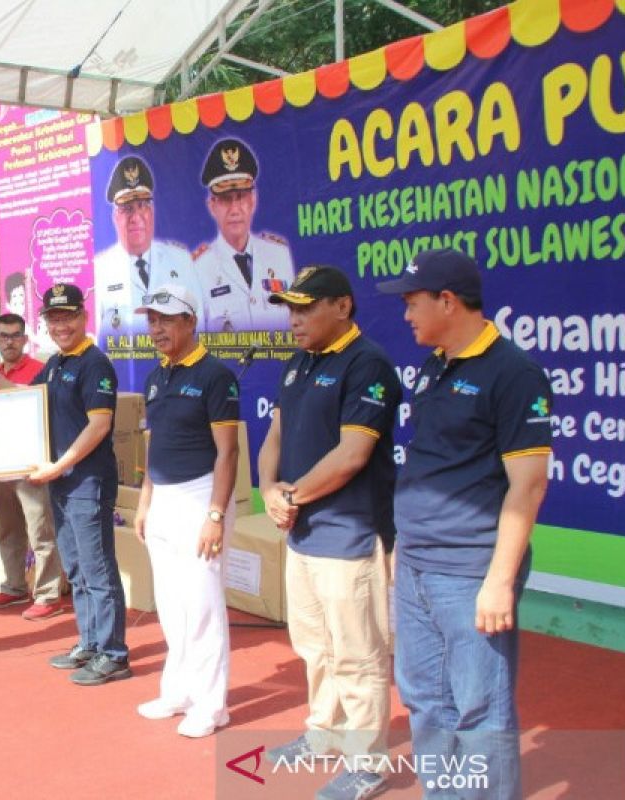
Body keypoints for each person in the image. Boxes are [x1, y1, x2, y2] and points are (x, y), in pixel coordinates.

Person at [378, 249, 551, 800]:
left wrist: (499, 580)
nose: (406, 315)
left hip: (471, 571)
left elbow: (529, 485)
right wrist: (401, 546)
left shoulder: (514, 374)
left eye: (412, 303)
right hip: (419, 565)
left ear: (448, 302)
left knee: (481, 708)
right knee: (426, 699)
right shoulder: (435, 367)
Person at [257, 266, 400, 797]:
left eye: (305, 308)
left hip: (350, 534)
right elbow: (274, 435)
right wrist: (268, 488)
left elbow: (352, 455)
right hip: (304, 533)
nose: (294, 319)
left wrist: (290, 497)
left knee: (358, 652)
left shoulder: (369, 365)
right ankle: (323, 734)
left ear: (342, 306)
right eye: (290, 309)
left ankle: (367, 762)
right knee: (314, 645)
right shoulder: (297, 364)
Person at [127, 284, 239, 737]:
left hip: (201, 495)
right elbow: (155, 445)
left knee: (203, 606)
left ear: (191, 321)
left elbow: (228, 453)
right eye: (152, 320)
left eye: (167, 320)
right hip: (164, 500)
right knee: (172, 605)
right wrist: (146, 502)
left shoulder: (216, 376)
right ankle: (180, 691)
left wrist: (214, 515)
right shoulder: (156, 377)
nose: (157, 329)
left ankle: (212, 705)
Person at [28, 284, 130, 686]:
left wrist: (60, 465)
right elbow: (24, 400)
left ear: (84, 316)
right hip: (62, 482)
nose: (61, 324)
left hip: (87, 482)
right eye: (53, 318)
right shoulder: (54, 364)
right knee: (76, 568)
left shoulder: (95, 364)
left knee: (97, 567)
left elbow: (99, 425)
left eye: (68, 316)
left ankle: (114, 653)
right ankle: (90, 641)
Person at [0, 313, 64, 621]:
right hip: (1, 466)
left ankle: (49, 593)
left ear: (25, 339)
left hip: (31, 466)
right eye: (4, 336)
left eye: (16, 335)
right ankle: (14, 586)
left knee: (41, 531)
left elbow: (24, 401)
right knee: (9, 531)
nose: (10, 341)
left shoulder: (38, 370)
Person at [193, 138, 295, 332]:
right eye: (225, 199)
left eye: (240, 197)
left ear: (253, 200)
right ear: (212, 206)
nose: (234, 209)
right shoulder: (199, 269)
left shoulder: (280, 255)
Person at [94, 156, 201, 336]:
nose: (136, 218)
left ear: (152, 211)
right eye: (127, 209)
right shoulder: (100, 270)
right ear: (115, 217)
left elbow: (199, 321)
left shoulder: (180, 259)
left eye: (142, 206)